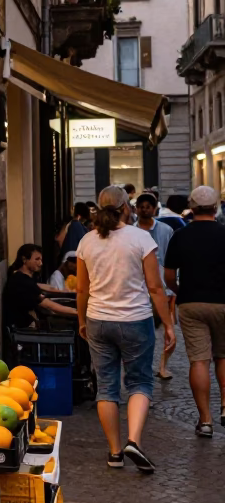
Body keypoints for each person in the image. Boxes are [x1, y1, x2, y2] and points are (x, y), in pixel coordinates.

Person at [76, 186, 175, 472]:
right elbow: (156, 287)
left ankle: (115, 452)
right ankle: (134, 439)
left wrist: (82, 320)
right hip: (136, 320)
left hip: (98, 320)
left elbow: (82, 289)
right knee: (140, 382)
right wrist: (168, 324)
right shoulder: (141, 238)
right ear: (125, 208)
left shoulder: (86, 241)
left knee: (106, 387)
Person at [163, 185, 225, 438]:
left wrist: (179, 289)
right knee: (223, 356)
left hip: (191, 302)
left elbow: (168, 276)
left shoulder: (181, 235)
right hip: (223, 301)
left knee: (199, 360)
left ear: (193, 207)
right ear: (216, 207)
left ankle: (206, 420)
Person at [134, 192, 176, 379]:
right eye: (141, 206)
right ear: (137, 209)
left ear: (154, 209)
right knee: (144, 330)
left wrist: (172, 288)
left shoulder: (166, 231)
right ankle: (145, 365)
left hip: (162, 286)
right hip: (139, 288)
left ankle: (163, 366)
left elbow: (170, 259)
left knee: (167, 329)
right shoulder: (132, 231)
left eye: (148, 206)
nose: (144, 209)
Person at [3, 244, 78, 334]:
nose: (41, 263)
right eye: (37, 259)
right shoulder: (22, 281)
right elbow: (50, 305)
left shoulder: (22, 277)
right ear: (24, 260)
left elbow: (42, 286)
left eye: (41, 260)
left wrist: (64, 292)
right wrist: (77, 312)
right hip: (23, 329)